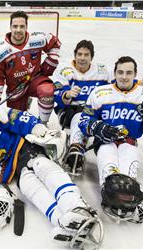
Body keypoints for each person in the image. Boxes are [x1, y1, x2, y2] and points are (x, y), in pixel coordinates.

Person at [0, 97, 103, 248]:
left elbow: (15, 117)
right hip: (10, 172)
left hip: (21, 149)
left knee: (44, 167)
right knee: (30, 188)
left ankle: (78, 207)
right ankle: (63, 222)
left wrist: (34, 126)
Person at [78, 56, 143, 223]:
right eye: (120, 72)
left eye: (128, 72)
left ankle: (125, 200)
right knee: (110, 170)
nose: (124, 76)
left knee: (127, 177)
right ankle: (111, 196)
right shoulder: (100, 93)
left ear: (135, 74)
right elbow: (84, 120)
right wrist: (97, 127)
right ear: (115, 73)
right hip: (105, 142)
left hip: (130, 143)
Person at [0, 11, 61, 125]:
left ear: (26, 27)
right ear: (10, 27)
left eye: (22, 26)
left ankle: (43, 123)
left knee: (47, 91)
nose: (18, 29)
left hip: (35, 79)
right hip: (15, 89)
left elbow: (55, 43)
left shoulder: (37, 38)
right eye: (15, 26)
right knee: (16, 123)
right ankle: (25, 102)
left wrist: (51, 62)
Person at [52, 40, 111, 175]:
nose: (82, 58)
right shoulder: (64, 69)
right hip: (69, 111)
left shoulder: (103, 70)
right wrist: (67, 94)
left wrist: (139, 84)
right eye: (79, 54)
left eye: (86, 55)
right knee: (80, 116)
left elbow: (119, 84)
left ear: (92, 57)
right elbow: (56, 93)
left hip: (95, 113)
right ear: (74, 55)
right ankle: (76, 147)